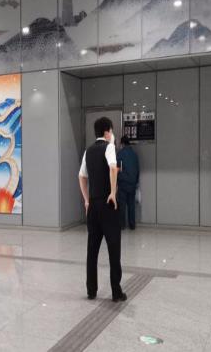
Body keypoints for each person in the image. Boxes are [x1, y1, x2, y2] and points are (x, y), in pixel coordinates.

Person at [78, 117, 126, 302]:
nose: (112, 134)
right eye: (111, 131)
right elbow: (113, 168)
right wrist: (112, 192)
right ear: (107, 132)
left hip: (93, 205)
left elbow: (81, 176)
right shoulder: (109, 147)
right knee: (114, 248)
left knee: (92, 249)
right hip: (107, 204)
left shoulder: (88, 151)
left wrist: (86, 200)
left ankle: (91, 290)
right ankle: (116, 291)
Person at [117, 136, 139, 231]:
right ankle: (132, 225)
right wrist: (136, 181)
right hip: (132, 183)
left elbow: (117, 169)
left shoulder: (120, 154)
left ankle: (122, 225)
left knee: (122, 205)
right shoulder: (134, 154)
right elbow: (138, 169)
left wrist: (117, 180)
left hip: (123, 183)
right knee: (131, 205)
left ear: (122, 143)